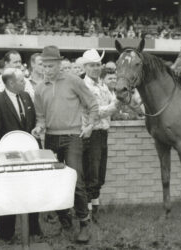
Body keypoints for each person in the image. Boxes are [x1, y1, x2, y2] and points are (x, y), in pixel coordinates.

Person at [31, 45, 99, 243]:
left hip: (73, 137)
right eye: (44, 66)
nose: (47, 70)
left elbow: (92, 104)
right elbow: (41, 117)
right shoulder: (39, 88)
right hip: (51, 138)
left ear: (59, 64)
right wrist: (39, 127)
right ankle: (65, 221)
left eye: (51, 66)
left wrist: (91, 125)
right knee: (54, 180)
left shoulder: (73, 81)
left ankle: (84, 224)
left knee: (75, 179)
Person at [0, 68, 42, 242]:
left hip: (29, 155)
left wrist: (36, 136)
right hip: (7, 157)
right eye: (22, 80)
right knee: (8, 195)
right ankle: (6, 235)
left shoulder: (25, 96)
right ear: (11, 83)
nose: (25, 82)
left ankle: (34, 230)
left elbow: (30, 124)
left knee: (31, 193)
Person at [80, 49, 120, 221]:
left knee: (100, 172)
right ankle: (87, 212)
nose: (96, 68)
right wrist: (115, 106)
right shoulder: (84, 85)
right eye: (92, 65)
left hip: (102, 132)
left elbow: (110, 103)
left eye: (98, 65)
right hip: (92, 134)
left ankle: (94, 207)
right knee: (92, 173)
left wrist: (112, 106)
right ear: (85, 67)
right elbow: (94, 110)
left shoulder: (102, 85)